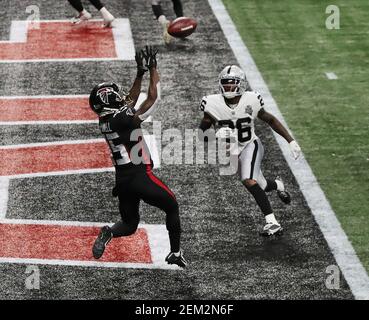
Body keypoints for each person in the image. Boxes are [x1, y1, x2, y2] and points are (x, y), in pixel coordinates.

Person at [89, 46, 187, 268]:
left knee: (129, 224)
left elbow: (129, 101)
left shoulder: (106, 119)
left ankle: (109, 232)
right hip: (139, 175)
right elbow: (153, 98)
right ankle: (175, 252)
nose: (120, 95)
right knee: (172, 206)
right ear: (108, 100)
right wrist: (153, 69)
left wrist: (139, 72)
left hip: (123, 179)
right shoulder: (123, 119)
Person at [198, 65, 302, 236]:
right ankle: (278, 185)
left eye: (232, 83)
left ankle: (272, 222)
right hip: (233, 152)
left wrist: (290, 141)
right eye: (225, 83)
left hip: (251, 145)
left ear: (241, 84)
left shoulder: (251, 99)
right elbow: (202, 135)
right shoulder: (212, 104)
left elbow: (270, 119)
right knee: (261, 184)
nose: (228, 87)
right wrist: (215, 134)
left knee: (248, 179)